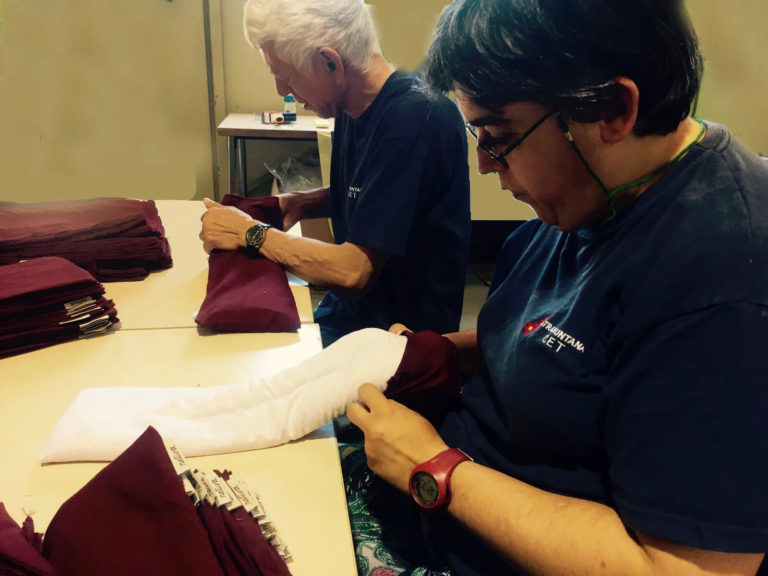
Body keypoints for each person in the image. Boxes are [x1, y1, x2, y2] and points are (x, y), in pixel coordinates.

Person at [344, 1, 768, 575]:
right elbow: (569, 340)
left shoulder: (718, 283)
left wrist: (433, 467)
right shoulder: (595, 194)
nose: (486, 164)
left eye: (497, 135)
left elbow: (683, 569)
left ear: (612, 109)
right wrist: (449, 353)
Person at [199, 0, 471, 347]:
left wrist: (253, 233)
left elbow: (353, 270)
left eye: (284, 74)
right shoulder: (352, 105)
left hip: (395, 344)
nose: (282, 90)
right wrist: (300, 204)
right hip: (350, 317)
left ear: (331, 63)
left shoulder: (415, 122)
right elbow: (378, 191)